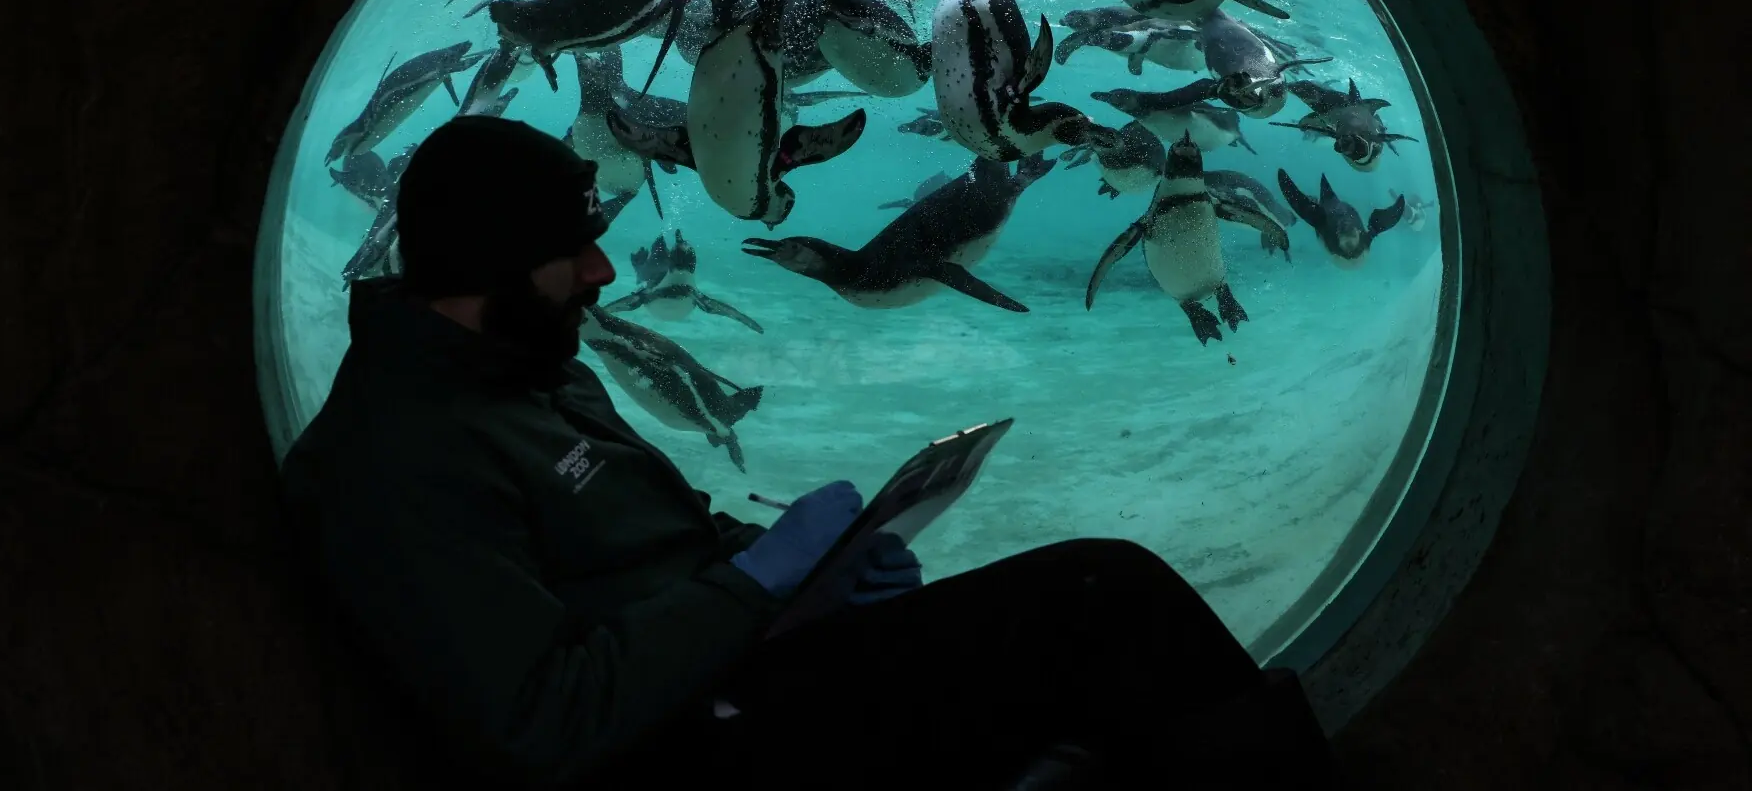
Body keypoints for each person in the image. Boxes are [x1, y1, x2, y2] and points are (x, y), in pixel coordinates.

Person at [281, 115, 1340, 790]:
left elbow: (659, 539)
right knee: (1103, 603)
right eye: (573, 249)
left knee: (1111, 599)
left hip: (756, 661)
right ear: (495, 263)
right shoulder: (395, 457)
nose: (603, 269)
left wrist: (819, 567)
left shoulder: (526, 361)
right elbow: (542, 725)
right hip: (697, 740)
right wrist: (759, 582)